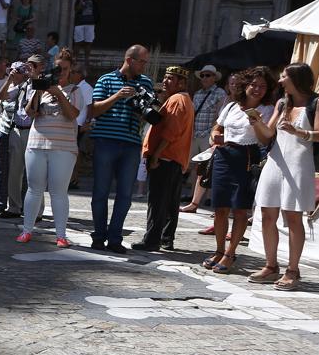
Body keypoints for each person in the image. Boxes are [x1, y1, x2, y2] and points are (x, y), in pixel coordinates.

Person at [250, 63, 319, 291]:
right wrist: (256, 123)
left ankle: (293, 270)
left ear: (296, 79)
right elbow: (268, 134)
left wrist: (298, 131)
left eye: (283, 76)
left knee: (293, 217)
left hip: (299, 164)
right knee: (267, 213)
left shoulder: (317, 102)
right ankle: (271, 266)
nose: (280, 80)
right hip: (275, 162)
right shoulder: (282, 103)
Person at [203, 66, 275, 274]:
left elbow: (265, 139)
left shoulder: (267, 110)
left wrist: (257, 122)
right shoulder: (232, 106)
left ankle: (230, 253)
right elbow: (217, 128)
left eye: (263, 86)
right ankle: (218, 250)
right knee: (220, 207)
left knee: (240, 208)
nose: (257, 89)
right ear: (245, 86)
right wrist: (214, 139)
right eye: (254, 85)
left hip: (247, 157)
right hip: (223, 156)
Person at [86, 44, 154, 253]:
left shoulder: (146, 83)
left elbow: (149, 113)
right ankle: (99, 236)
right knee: (100, 192)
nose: (144, 66)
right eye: (142, 61)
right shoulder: (106, 80)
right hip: (106, 142)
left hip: (132, 144)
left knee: (125, 195)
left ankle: (115, 238)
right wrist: (117, 96)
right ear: (130, 60)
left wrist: (143, 108)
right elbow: (94, 111)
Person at [16, 55, 82, 244]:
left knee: (58, 191)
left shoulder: (75, 91)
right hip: (37, 144)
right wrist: (38, 90)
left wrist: (59, 94)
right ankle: (26, 230)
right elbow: (29, 114)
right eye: (57, 68)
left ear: (70, 70)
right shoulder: (40, 88)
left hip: (63, 147)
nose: (60, 72)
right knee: (34, 189)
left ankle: (61, 235)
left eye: (64, 68)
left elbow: (71, 115)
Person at [131, 66, 194, 252]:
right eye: (165, 78)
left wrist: (156, 155)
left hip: (165, 158)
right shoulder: (184, 100)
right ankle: (167, 238)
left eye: (170, 79)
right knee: (170, 202)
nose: (165, 82)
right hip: (174, 159)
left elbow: (170, 133)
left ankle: (151, 240)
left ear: (181, 82)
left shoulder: (176, 100)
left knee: (157, 201)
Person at [0, 58, 41, 218]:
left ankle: (37, 211)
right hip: (16, 130)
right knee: (14, 171)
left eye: (33, 66)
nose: (29, 69)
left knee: (35, 172)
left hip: (33, 131)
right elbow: (1, 97)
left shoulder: (41, 82)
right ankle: (14, 207)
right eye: (27, 66)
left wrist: (33, 77)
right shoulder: (21, 86)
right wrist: (9, 79)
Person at [181, 65, 229, 213]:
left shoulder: (220, 93)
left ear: (214, 77)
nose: (205, 78)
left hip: (208, 134)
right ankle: (192, 196)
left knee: (208, 167)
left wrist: (213, 134)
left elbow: (219, 115)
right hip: (196, 133)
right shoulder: (197, 94)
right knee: (194, 165)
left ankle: (208, 197)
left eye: (208, 75)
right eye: (203, 75)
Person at [73, 0, 100, 70]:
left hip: (90, 23)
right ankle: (75, 59)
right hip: (80, 23)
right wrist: (81, 1)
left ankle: (86, 60)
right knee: (78, 41)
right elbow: (76, 9)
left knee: (88, 42)